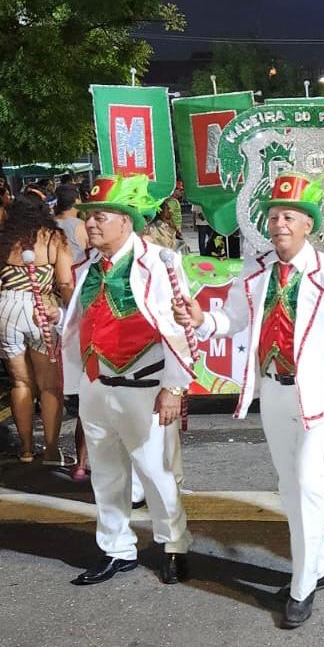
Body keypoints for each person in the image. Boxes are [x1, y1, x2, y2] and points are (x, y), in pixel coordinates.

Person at [175, 173, 324, 630]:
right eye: (274, 216)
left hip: (318, 400)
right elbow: (236, 319)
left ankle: (302, 585)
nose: (279, 223)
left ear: (307, 225)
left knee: (306, 486)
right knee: (289, 486)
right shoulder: (257, 268)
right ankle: (320, 564)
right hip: (273, 392)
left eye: (289, 217)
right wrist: (204, 318)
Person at [43, 174, 195, 586]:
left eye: (102, 217)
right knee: (106, 473)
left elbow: (180, 329)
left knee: (155, 472)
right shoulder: (88, 265)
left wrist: (174, 387)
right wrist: (58, 320)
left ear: (127, 221)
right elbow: (85, 322)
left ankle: (174, 545)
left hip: (142, 386)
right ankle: (116, 548)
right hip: (96, 385)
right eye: (89, 216)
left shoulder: (158, 263)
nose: (90, 224)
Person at [0, 193, 73, 464]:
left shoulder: (4, 239)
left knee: (20, 382)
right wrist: (74, 312)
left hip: (7, 307)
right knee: (50, 386)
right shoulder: (54, 239)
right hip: (41, 308)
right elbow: (65, 282)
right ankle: (52, 450)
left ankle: (27, 449)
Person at [54, 183, 91, 479]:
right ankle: (82, 462)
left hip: (57, 304)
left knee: (83, 396)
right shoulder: (81, 227)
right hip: (79, 300)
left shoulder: (48, 228)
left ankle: (80, 463)